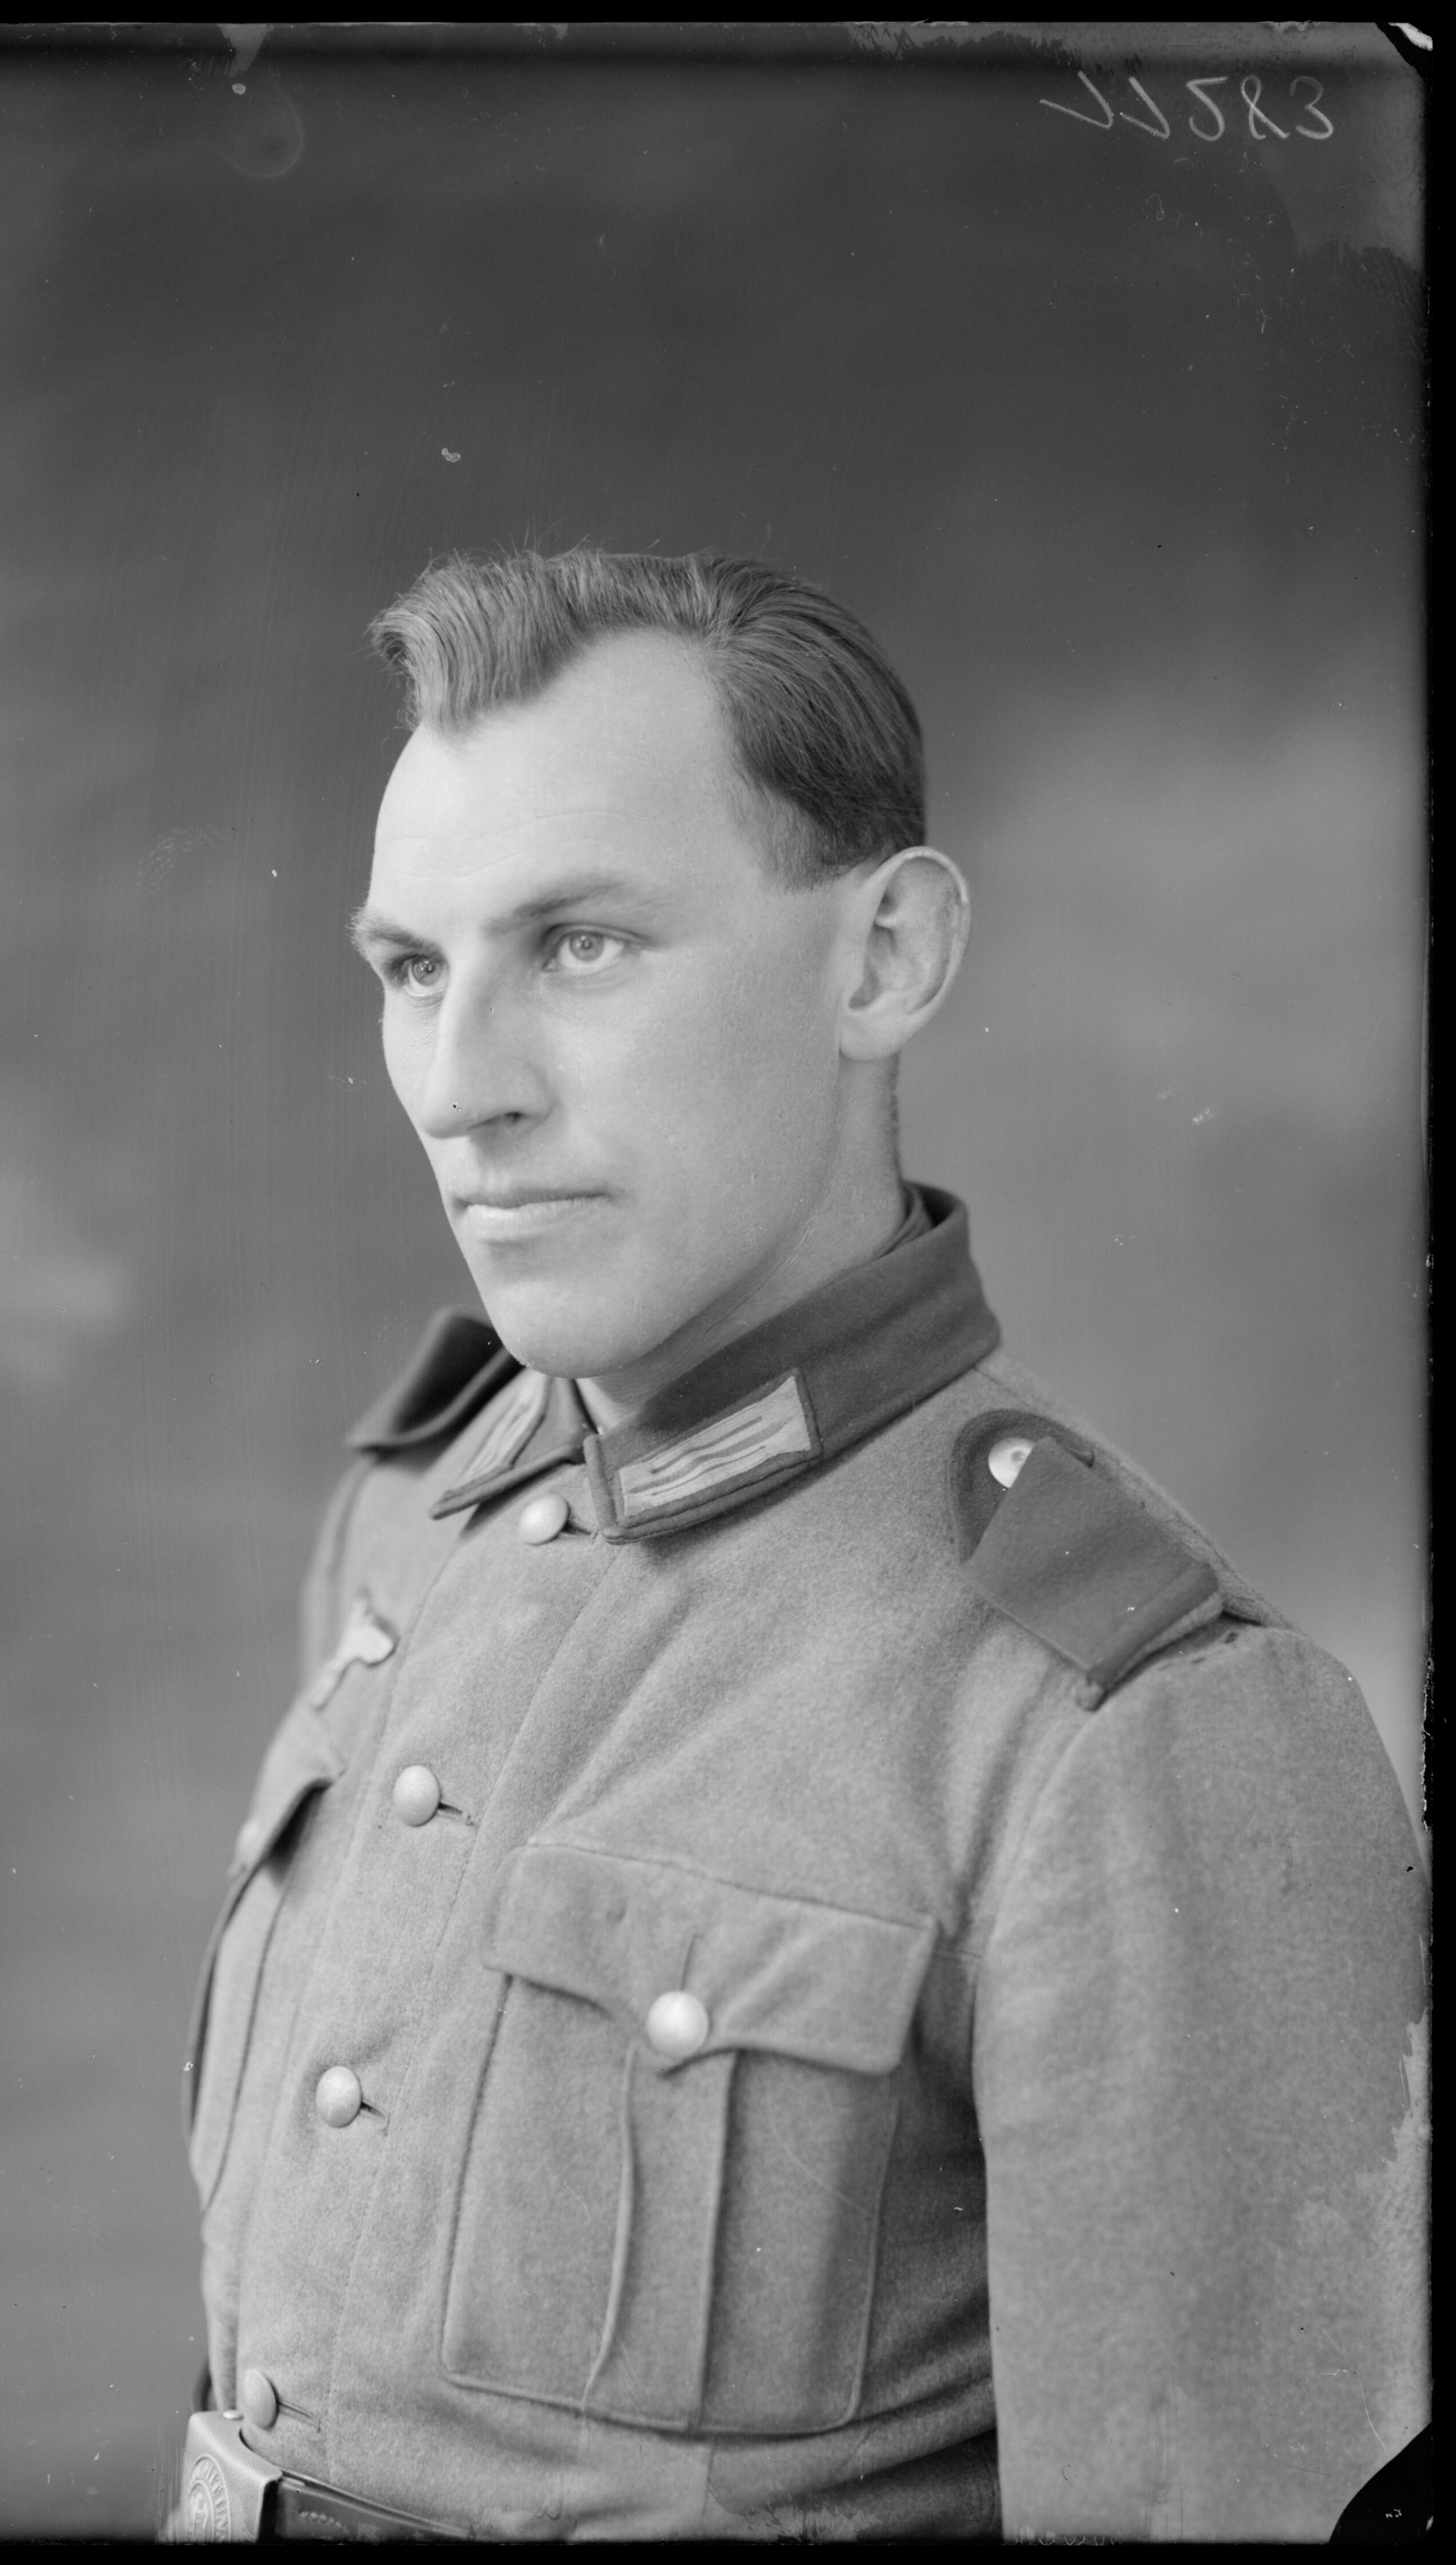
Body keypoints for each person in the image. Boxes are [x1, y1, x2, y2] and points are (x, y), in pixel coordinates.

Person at [169, 548, 1426, 2543]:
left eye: (582, 945)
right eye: (413, 970)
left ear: (883, 961)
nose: (462, 1088)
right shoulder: (413, 1518)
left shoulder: (1137, 1729)